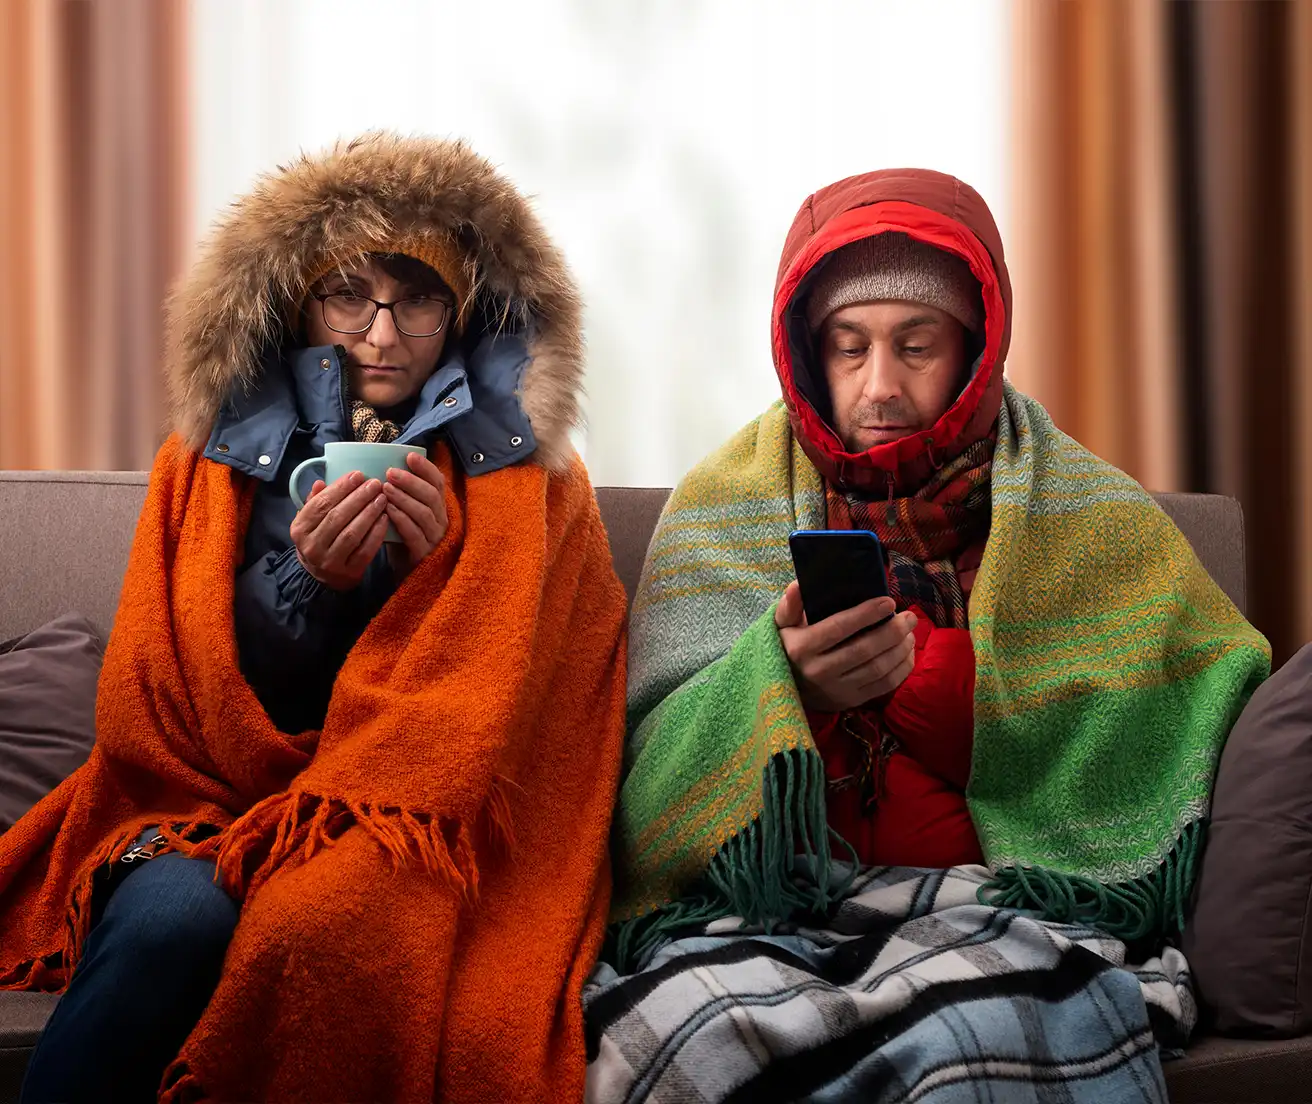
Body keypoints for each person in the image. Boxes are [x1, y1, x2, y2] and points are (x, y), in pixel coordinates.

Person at [587, 169, 1270, 1102]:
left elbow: (1212, 677)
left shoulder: (1094, 518)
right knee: (684, 1028)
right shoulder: (721, 507)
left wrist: (997, 713)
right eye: (848, 347)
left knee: (986, 1034)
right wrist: (782, 681)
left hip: (1004, 908)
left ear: (977, 349)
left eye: (917, 346)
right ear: (803, 351)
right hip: (764, 915)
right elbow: (643, 787)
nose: (880, 387)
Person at [2, 132, 628, 1103]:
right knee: (176, 922)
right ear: (300, 301)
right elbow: (178, 695)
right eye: (350, 296)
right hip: (208, 808)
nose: (381, 336)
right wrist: (302, 579)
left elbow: (532, 716)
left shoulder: (534, 480)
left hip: (413, 823)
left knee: (331, 925)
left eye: (416, 298)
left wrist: (439, 580)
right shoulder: (205, 460)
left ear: (462, 313)